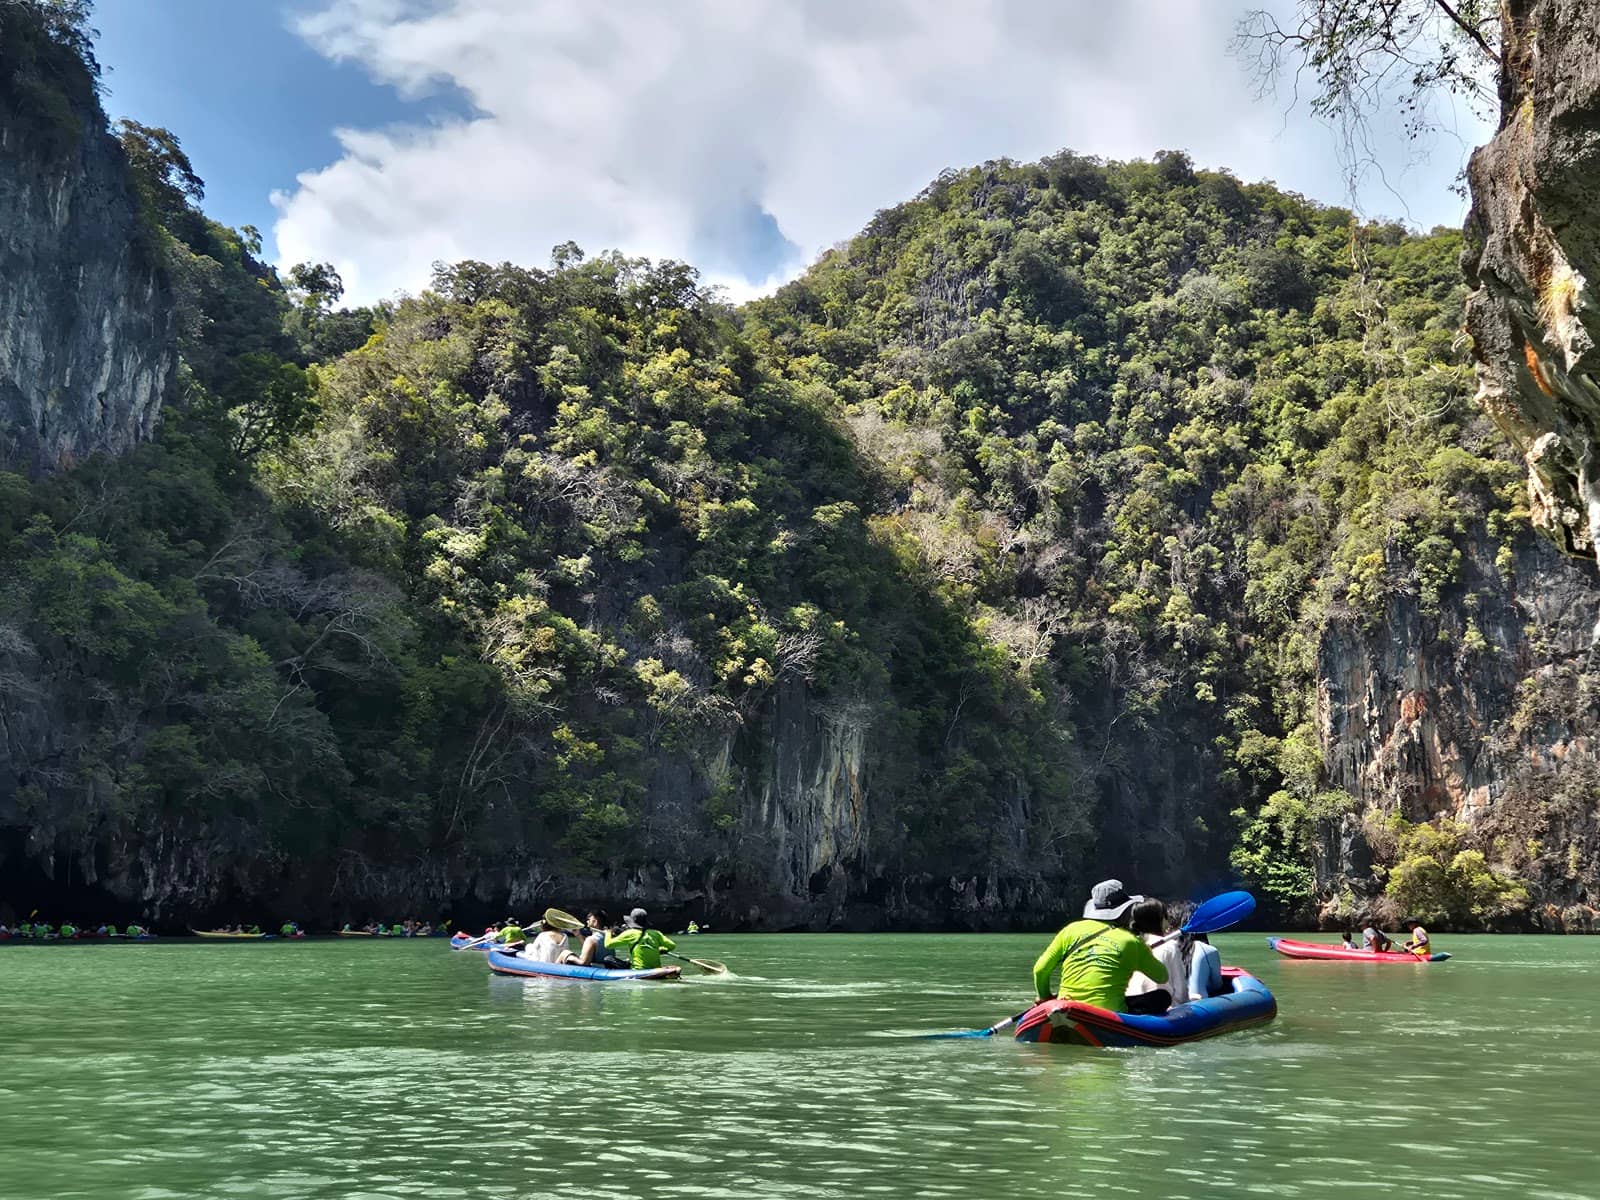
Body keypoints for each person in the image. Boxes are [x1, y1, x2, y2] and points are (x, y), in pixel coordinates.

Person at [1032, 880, 1167, 1013]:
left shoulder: (1070, 930)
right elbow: (1162, 976)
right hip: (1108, 1013)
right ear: (1124, 910)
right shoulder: (1132, 942)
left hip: (1066, 1005)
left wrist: (1045, 998)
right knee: (1162, 997)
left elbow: (1040, 969)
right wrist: (1145, 954)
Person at [1125, 899, 1185, 1014]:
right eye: (1166, 918)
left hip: (1129, 1006)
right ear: (1160, 919)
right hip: (1159, 1008)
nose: (1168, 924)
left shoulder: (1128, 944)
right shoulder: (1170, 946)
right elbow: (1180, 992)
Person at [606, 909, 676, 969]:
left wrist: (608, 933)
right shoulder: (656, 933)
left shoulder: (630, 933)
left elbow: (608, 945)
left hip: (638, 970)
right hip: (656, 968)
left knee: (608, 959)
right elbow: (672, 945)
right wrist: (662, 950)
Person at [1185, 932, 1225, 1000]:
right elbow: (1217, 985)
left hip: (1172, 1003)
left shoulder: (1172, 947)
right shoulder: (1210, 950)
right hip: (1198, 1003)